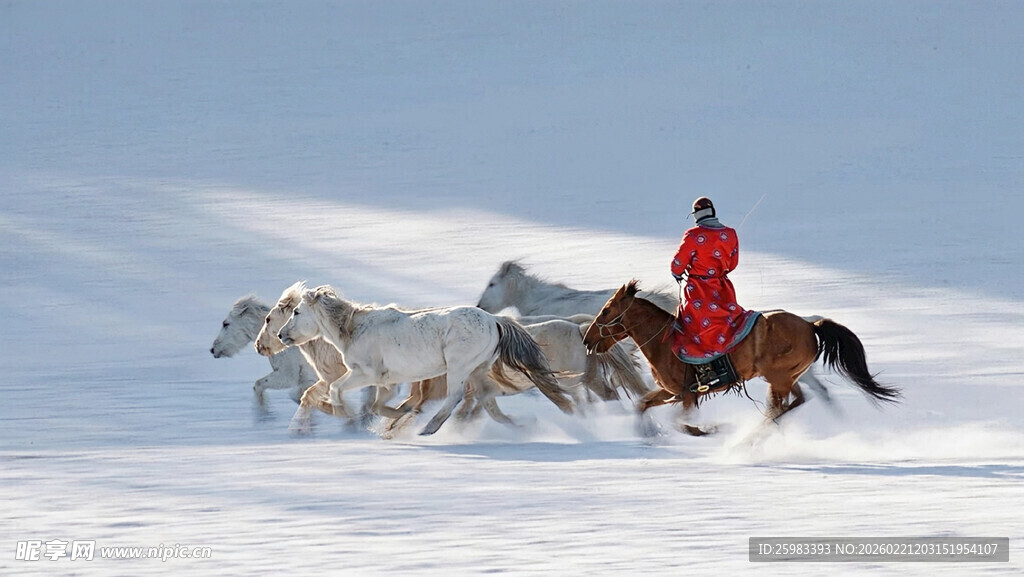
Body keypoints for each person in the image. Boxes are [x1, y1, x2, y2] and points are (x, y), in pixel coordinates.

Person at [669, 197, 758, 367]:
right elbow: (733, 263)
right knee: (728, 317)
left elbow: (678, 263)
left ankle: (702, 362)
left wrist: (677, 273)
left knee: (692, 324)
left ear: (696, 216)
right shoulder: (730, 233)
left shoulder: (693, 235)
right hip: (722, 286)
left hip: (698, 289)